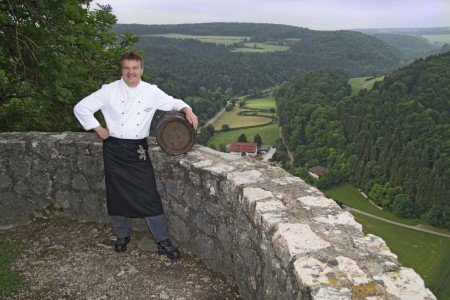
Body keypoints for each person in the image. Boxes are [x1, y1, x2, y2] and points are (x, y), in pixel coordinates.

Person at [74, 50, 198, 259]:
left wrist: (188, 110)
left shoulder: (151, 91)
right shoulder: (108, 91)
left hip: (138, 150)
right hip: (113, 148)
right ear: (121, 70)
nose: (131, 72)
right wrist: (98, 128)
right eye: (126, 68)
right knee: (116, 193)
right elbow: (81, 108)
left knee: (149, 194)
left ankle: (162, 240)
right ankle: (122, 235)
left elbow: (174, 102)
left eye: (135, 68)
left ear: (142, 70)